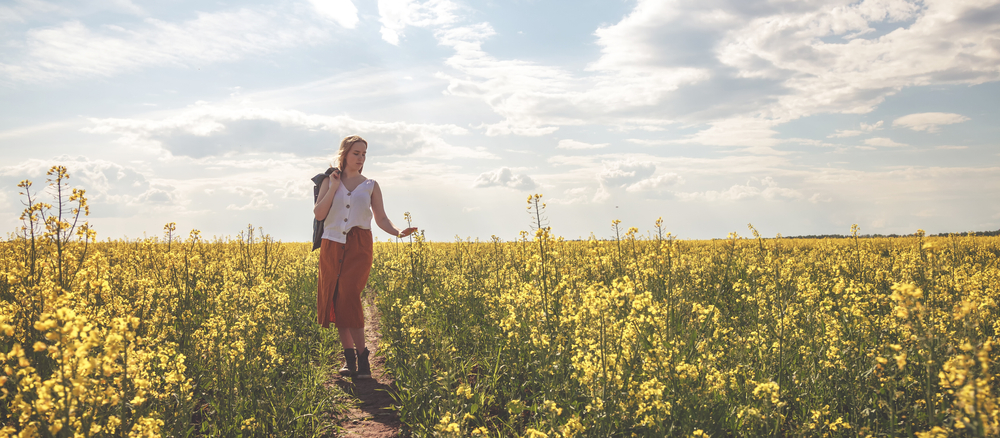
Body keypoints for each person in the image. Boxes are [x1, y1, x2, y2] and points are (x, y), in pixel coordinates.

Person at [313, 135, 417, 379]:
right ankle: (350, 359)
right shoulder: (329, 180)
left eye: (364, 154)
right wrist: (334, 187)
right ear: (345, 154)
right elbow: (319, 214)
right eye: (356, 153)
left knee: (349, 296)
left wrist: (398, 232)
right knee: (337, 300)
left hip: (359, 246)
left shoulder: (371, 184)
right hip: (331, 244)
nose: (360, 158)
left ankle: (363, 357)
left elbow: (380, 218)